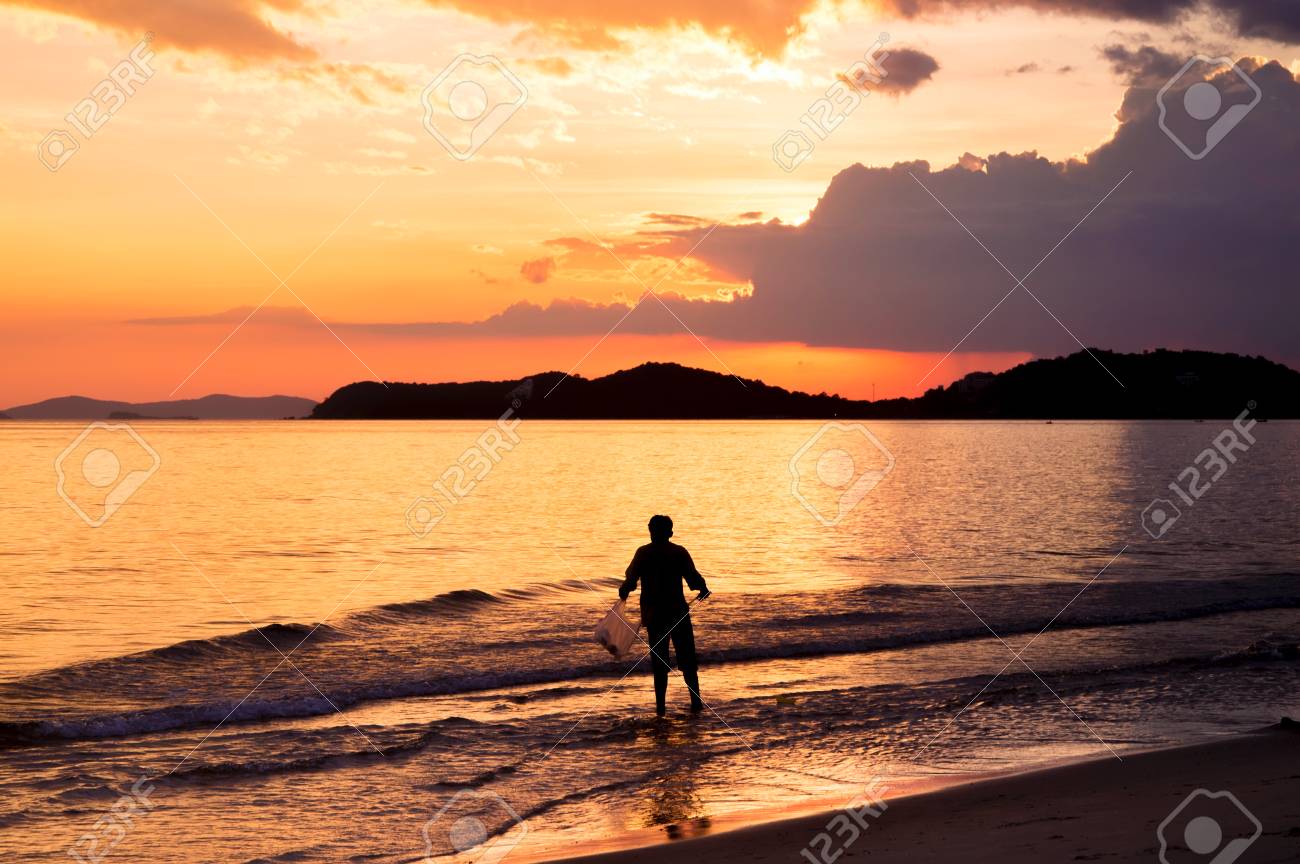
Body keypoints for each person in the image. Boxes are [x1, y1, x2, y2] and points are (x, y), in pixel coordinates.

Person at [619, 515, 711, 716]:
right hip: (678, 613)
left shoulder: (643, 553)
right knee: (687, 660)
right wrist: (702, 589)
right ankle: (696, 703)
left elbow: (630, 580)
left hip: (655, 616)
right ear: (670, 533)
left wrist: (624, 591)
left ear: (651, 530)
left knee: (659, 663)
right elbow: (693, 579)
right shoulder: (678, 552)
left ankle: (661, 708)